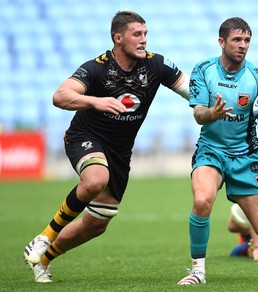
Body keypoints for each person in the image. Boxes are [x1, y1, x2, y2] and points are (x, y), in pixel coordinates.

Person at [23, 11, 190, 283]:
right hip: (85, 136)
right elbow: (60, 96)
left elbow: (191, 90)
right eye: (137, 34)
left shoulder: (156, 65)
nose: (144, 40)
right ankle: (44, 237)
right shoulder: (97, 67)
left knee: (97, 223)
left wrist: (212, 106)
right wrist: (95, 101)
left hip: (120, 152)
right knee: (95, 179)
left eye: (146, 34)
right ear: (118, 38)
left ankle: (43, 258)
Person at [177, 17, 258, 285]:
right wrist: (212, 113)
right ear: (222, 42)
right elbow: (199, 115)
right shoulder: (203, 69)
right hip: (211, 151)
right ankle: (197, 271)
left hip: (246, 156)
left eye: (247, 40)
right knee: (203, 200)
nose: (243, 46)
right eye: (237, 40)